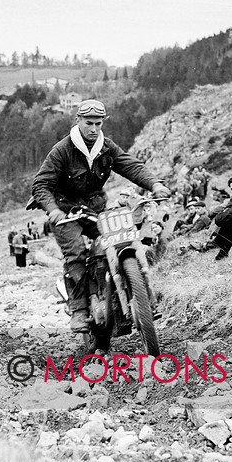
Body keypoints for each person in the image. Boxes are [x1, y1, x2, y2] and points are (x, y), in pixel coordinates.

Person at [29, 99, 170, 332]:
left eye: (98, 123)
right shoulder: (62, 150)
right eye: (88, 123)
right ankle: (79, 310)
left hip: (95, 208)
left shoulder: (106, 147)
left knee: (116, 242)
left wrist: (154, 184)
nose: (93, 129)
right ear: (78, 121)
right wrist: (52, 209)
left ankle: (135, 298)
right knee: (75, 253)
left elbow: (130, 166)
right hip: (66, 212)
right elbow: (41, 185)